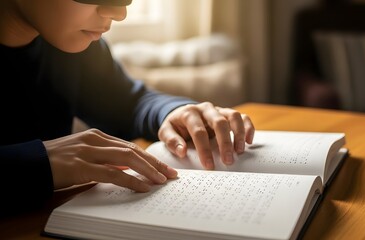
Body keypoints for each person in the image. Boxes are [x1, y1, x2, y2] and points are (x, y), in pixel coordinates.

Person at [0, 0, 255, 214]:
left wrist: (173, 112)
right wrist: (36, 163)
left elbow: (130, 103)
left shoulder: (70, 48)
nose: (119, 13)